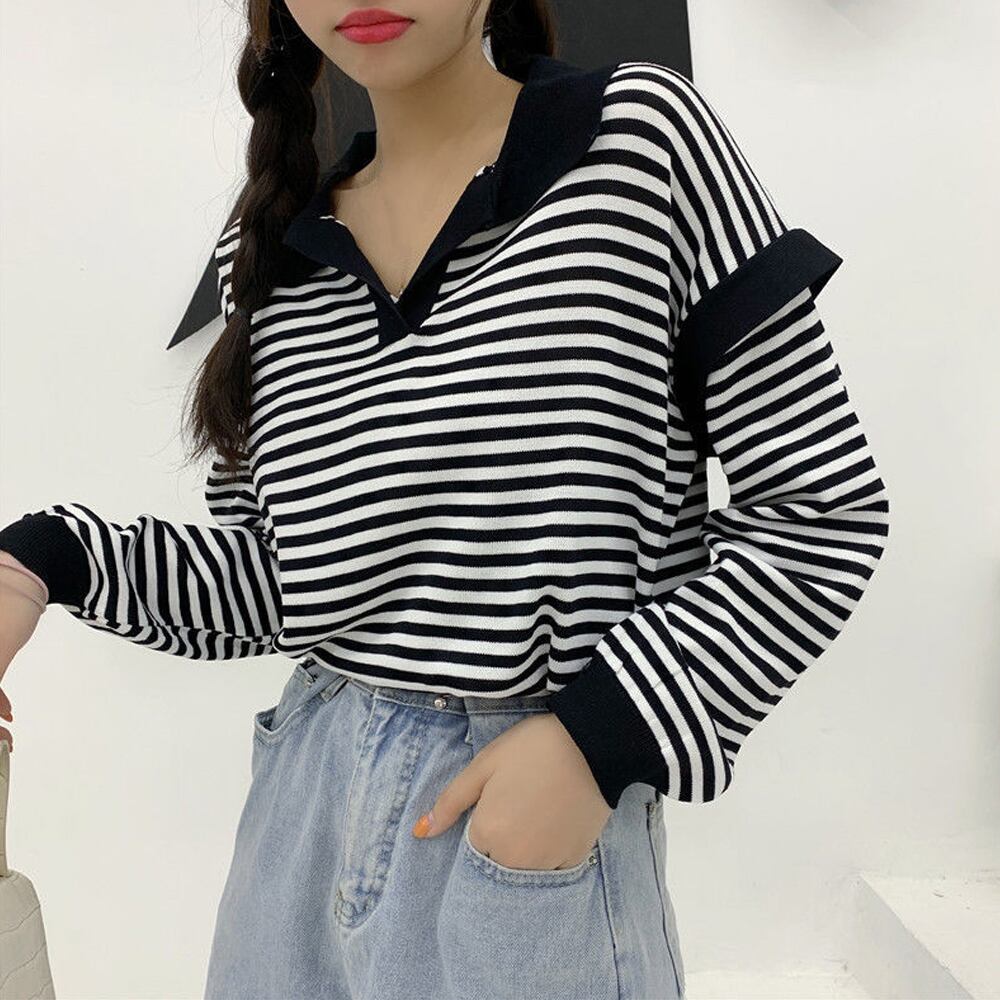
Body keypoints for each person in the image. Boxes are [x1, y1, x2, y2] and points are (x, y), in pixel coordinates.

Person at [0, 1, 892, 997]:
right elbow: (284, 583)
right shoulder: (272, 248)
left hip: (523, 847)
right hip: (299, 830)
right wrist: (46, 558)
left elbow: (818, 515)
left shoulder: (639, 145)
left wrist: (593, 741)